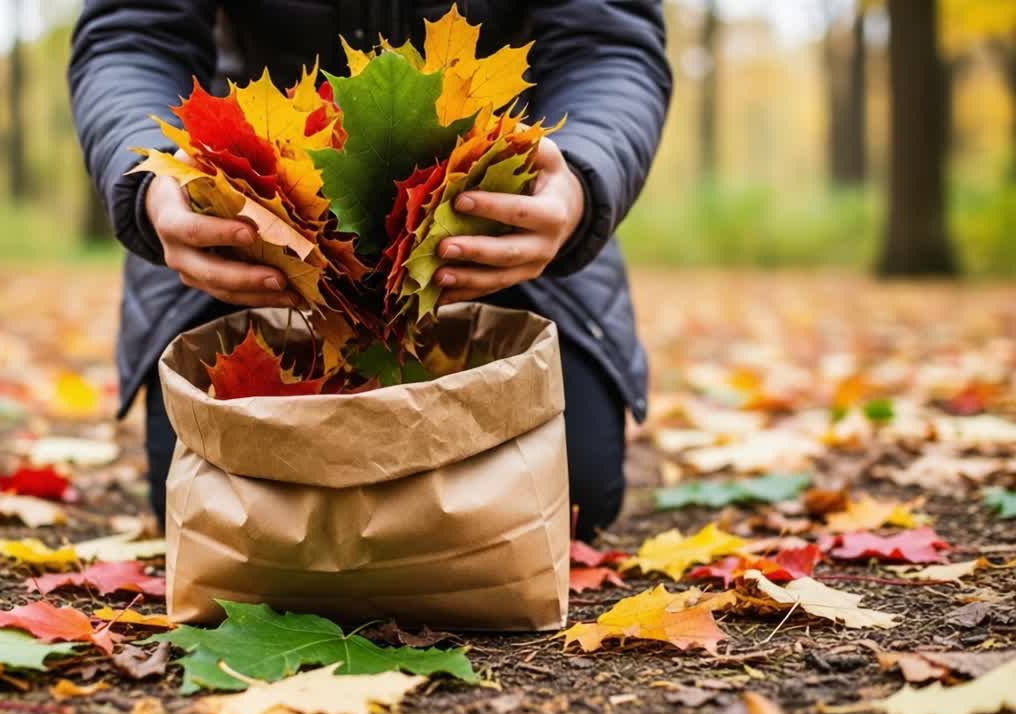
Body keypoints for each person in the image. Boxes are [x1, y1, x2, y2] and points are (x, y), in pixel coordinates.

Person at [69, 1, 671, 541]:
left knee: (574, 494)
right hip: (258, 224)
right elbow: (132, 32)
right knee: (216, 499)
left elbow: (608, 42)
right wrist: (151, 184)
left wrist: (581, 184)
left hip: (484, 214)